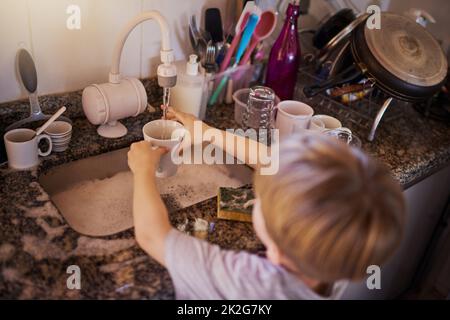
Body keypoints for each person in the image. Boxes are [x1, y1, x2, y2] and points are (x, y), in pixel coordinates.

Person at [127, 106, 406, 299]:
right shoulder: (340, 255)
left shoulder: (248, 283)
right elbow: (274, 165)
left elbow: (152, 235)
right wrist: (207, 132)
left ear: (275, 235)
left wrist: (143, 170)